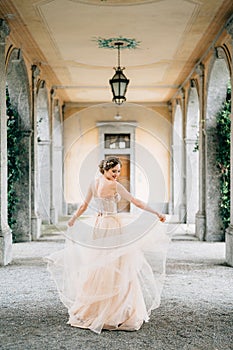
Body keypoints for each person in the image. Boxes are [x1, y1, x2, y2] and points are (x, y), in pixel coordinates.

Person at [45, 156, 170, 334]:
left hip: (99, 225)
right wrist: (156, 212)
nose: (117, 175)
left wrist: (73, 219)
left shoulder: (93, 184)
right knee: (118, 265)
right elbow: (136, 201)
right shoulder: (114, 186)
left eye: (119, 171)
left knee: (102, 266)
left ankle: (99, 309)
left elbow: (83, 206)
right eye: (114, 171)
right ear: (104, 169)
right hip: (112, 225)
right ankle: (116, 312)